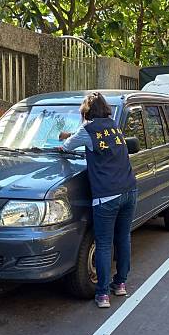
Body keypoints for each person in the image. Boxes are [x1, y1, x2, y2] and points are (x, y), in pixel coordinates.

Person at [59, 92, 137, 308]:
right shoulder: (114, 127)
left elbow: (66, 147)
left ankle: (102, 294)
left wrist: (63, 139)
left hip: (107, 195)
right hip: (129, 190)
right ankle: (120, 284)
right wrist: (71, 134)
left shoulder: (87, 129)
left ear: (86, 111)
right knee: (123, 239)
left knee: (103, 244)